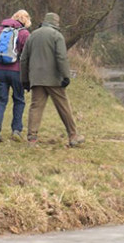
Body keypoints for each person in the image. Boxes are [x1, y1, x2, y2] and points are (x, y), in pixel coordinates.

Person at [20, 11, 84, 147]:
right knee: (63, 107)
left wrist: (24, 80)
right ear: (56, 23)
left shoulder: (32, 35)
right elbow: (61, 57)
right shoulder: (57, 36)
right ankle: (73, 136)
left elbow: (24, 59)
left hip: (36, 79)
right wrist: (66, 76)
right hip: (54, 79)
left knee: (35, 107)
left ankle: (32, 138)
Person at [0, 9, 31, 142]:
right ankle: (16, 130)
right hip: (16, 71)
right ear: (26, 20)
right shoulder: (24, 33)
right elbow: (27, 56)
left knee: (1, 100)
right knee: (19, 100)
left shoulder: (1, 30)